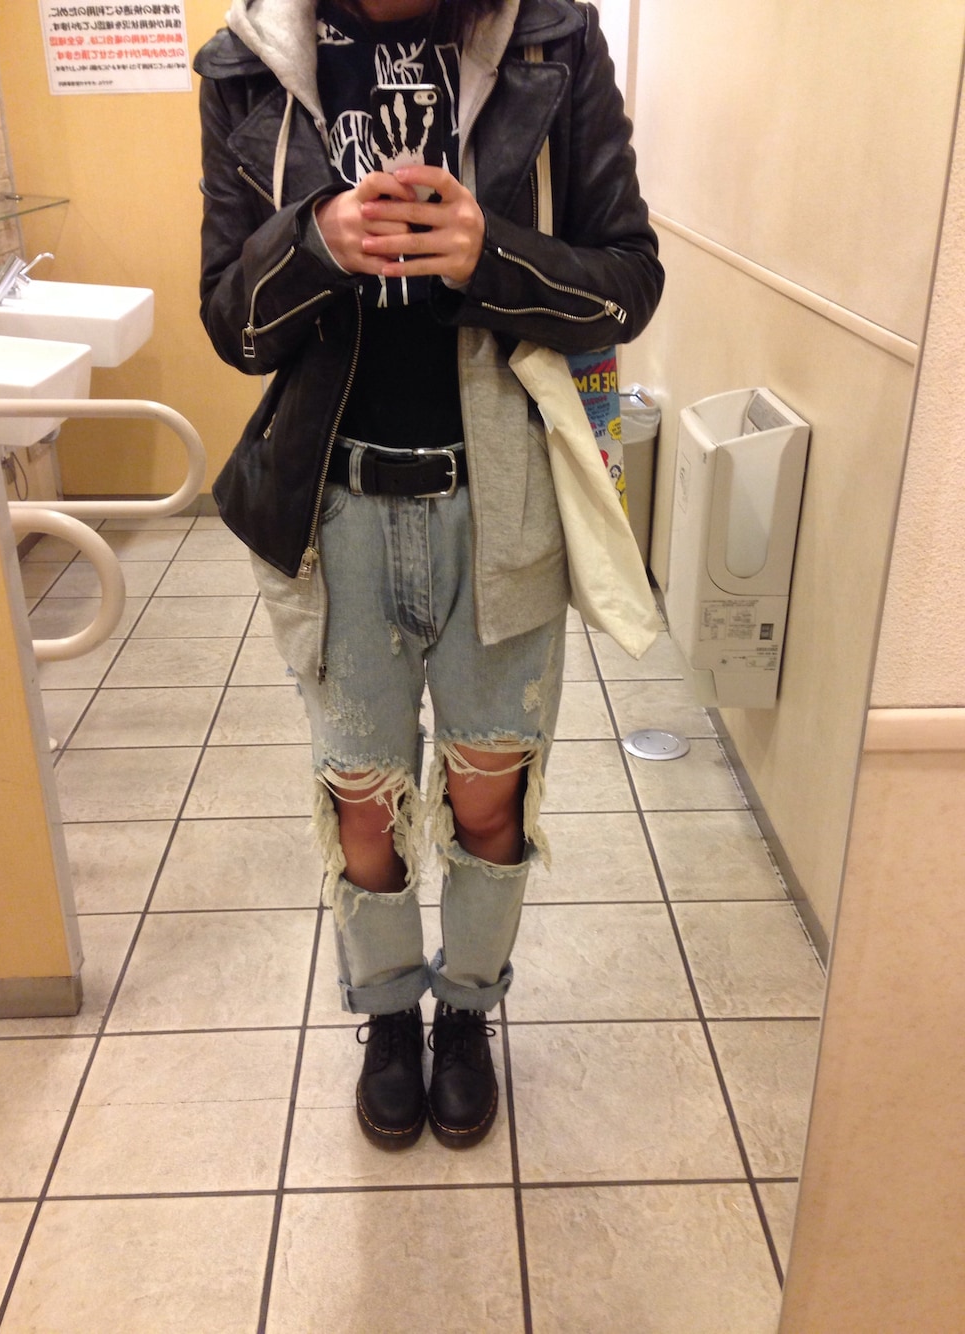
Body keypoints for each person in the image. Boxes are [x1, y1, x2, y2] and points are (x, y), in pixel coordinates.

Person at [194, 0, 663, 1151]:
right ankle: (390, 1012)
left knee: (488, 793)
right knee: (362, 794)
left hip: (503, 499)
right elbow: (230, 323)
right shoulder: (247, 63)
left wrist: (489, 255)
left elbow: (628, 283)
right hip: (334, 502)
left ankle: (466, 1010)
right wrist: (314, 241)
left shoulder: (551, 38)